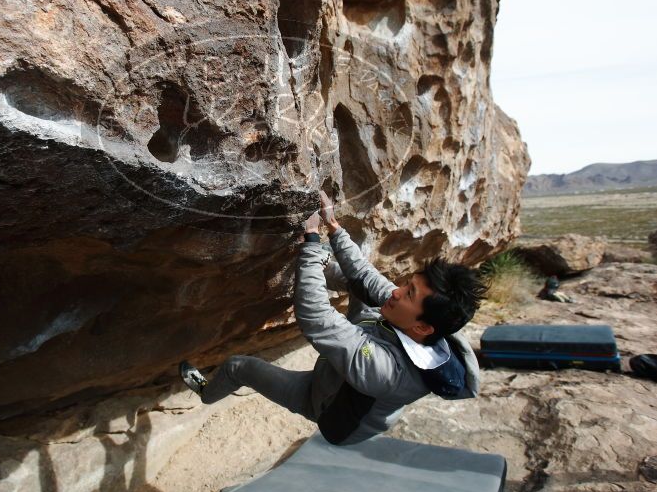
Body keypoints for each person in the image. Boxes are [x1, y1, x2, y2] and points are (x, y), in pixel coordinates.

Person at [179, 191, 486, 445]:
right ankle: (311, 264)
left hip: (320, 399)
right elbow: (368, 278)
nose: (397, 292)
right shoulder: (415, 319)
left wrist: (312, 242)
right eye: (407, 285)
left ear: (422, 326)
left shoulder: (388, 373)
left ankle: (207, 392)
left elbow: (316, 318)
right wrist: (334, 227)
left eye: (409, 294)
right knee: (358, 286)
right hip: (353, 359)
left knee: (238, 366)